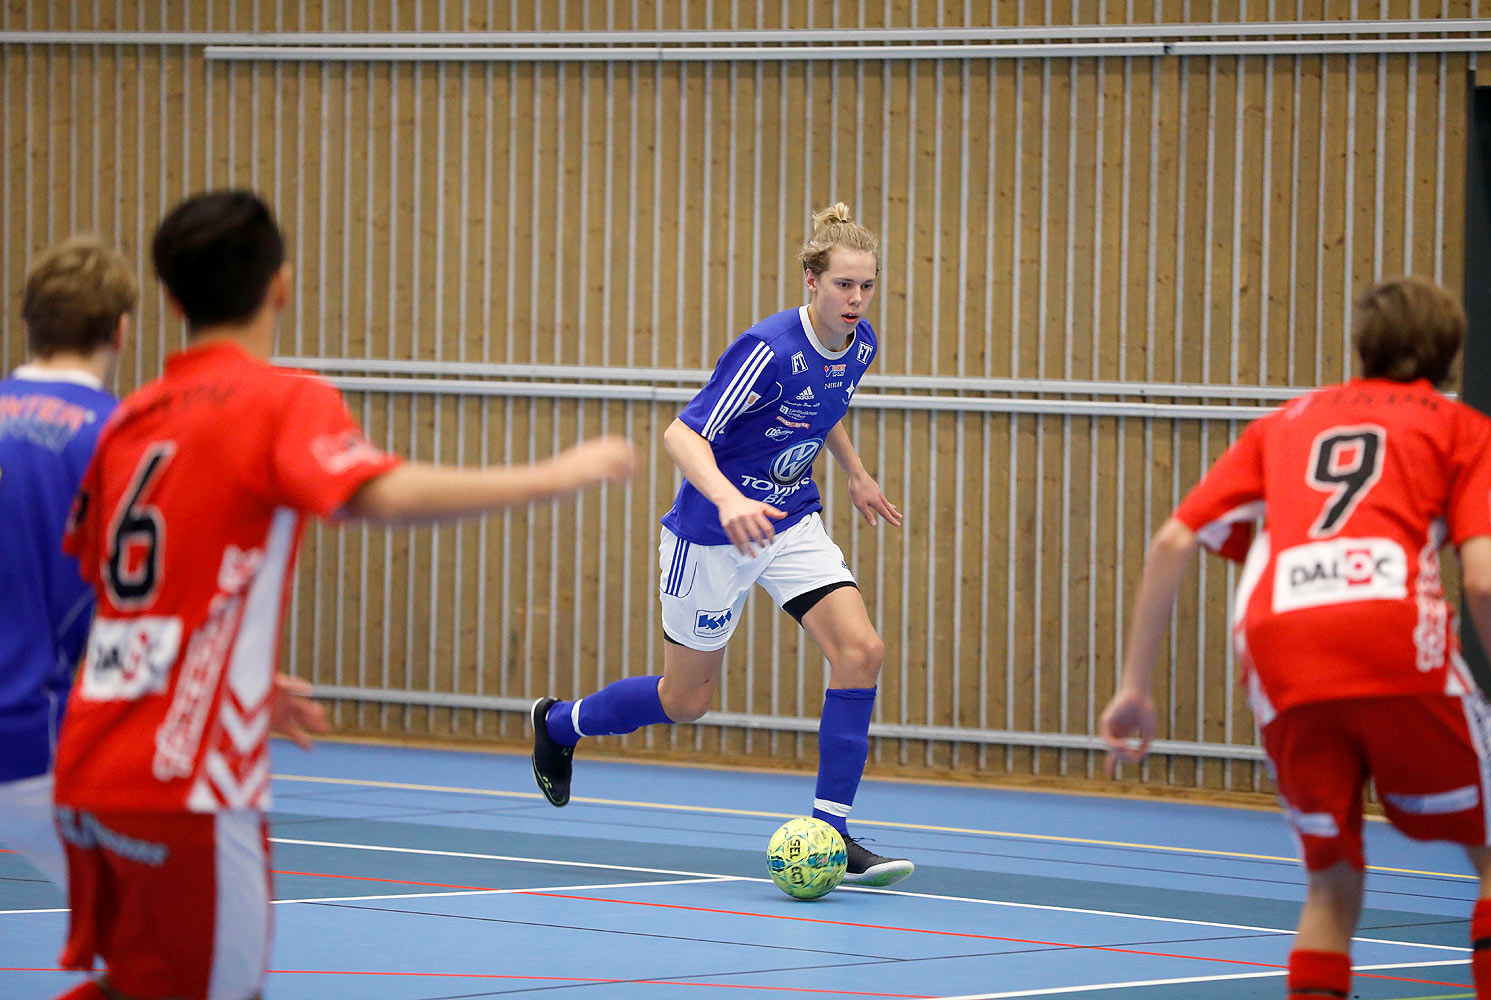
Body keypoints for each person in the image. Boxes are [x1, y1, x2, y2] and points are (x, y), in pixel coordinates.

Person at [51, 190, 637, 1000]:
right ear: (282, 285)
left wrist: (240, 682)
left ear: (168, 298)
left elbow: (113, 595)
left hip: (87, 765)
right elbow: (375, 494)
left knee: (139, 981)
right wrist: (553, 476)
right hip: (183, 785)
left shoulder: (130, 419)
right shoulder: (280, 398)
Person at [1099, 277, 1491, 1000]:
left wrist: (1135, 687)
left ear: (1360, 344)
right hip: (1395, 635)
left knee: (1330, 886)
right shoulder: (1461, 427)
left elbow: (1170, 541)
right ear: (1450, 354)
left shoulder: (1285, 422)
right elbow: (1484, 584)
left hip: (1281, 651)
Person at [530, 203, 912, 886]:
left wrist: (855, 472)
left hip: (791, 519)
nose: (855, 299)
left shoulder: (861, 343)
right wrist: (730, 498)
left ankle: (832, 833)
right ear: (810, 281)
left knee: (862, 651)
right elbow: (684, 434)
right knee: (686, 702)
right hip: (713, 532)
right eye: (843, 286)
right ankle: (561, 724)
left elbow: (825, 406)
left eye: (866, 286)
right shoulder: (767, 348)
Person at [0, 237, 136, 891]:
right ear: (121, 331)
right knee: (154, 948)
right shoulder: (118, 439)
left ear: (26, 324)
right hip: (33, 740)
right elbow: (138, 600)